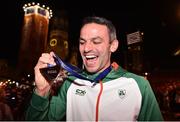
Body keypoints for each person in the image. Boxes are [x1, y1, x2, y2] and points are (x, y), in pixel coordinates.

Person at [25, 16, 163, 121]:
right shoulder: (70, 83)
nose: (86, 49)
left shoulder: (139, 85)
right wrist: (41, 91)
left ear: (113, 46)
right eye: (82, 42)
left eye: (96, 41)